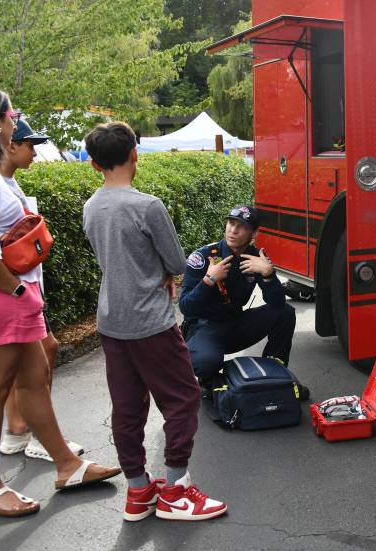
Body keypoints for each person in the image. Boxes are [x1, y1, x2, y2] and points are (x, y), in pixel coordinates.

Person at [0, 86, 120, 518]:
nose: (13, 122)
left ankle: (67, 465)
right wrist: (20, 293)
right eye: (11, 115)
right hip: (2, 295)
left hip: (11, 296)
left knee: (35, 377)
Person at [82, 121, 226, 522]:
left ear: (94, 165)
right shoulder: (147, 206)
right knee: (182, 398)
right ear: (134, 154)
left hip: (112, 320)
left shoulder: (91, 206)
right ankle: (176, 488)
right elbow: (177, 262)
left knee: (127, 407)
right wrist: (164, 273)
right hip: (151, 322)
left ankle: (138, 489)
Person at [0, 119, 84, 461]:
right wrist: (19, 290)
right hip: (13, 291)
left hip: (19, 287)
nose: (35, 151)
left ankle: (18, 430)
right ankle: (37, 438)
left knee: (17, 362)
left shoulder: (5, 182)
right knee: (40, 356)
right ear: (9, 145)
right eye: (28, 144)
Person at [179, 205, 297, 388]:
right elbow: (185, 308)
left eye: (241, 226)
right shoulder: (203, 257)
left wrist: (269, 275)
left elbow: (277, 304)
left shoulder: (256, 257)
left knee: (285, 313)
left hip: (235, 324)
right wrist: (209, 280)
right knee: (205, 362)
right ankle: (212, 381)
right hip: (205, 328)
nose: (233, 230)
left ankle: (277, 374)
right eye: (231, 223)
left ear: (254, 233)